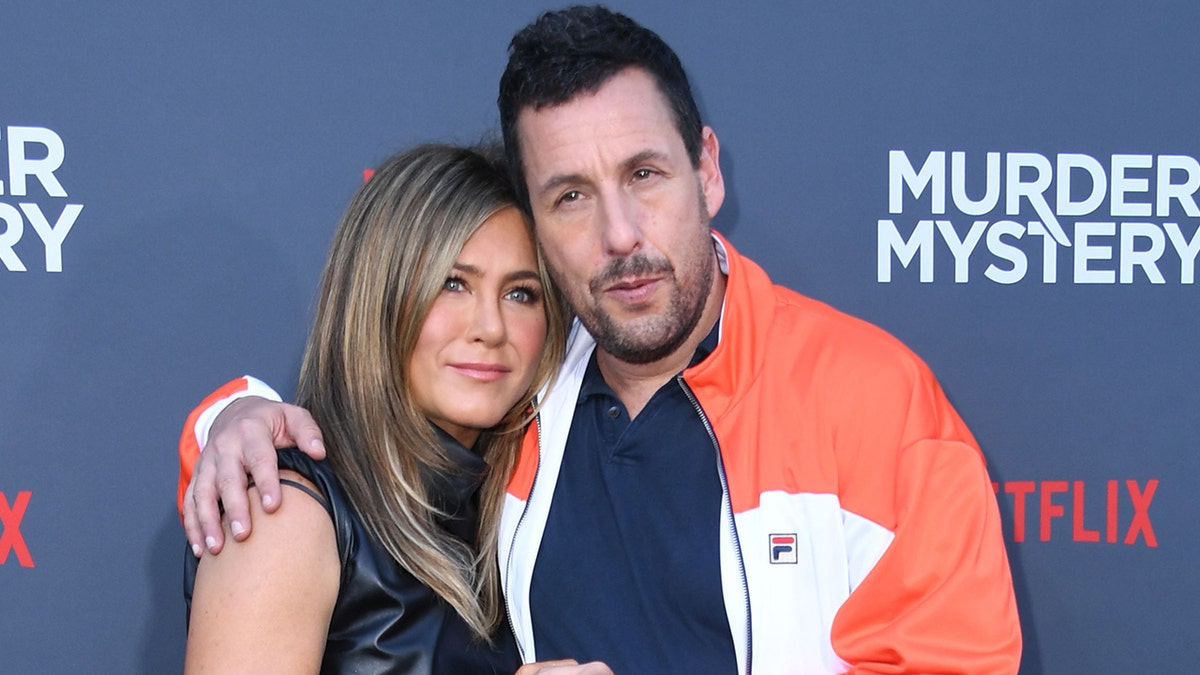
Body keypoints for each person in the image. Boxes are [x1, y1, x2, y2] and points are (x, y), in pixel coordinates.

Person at [180, 6, 1022, 674]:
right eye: (571, 196)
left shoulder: (872, 397)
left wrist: (236, 423)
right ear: (538, 221)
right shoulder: (518, 396)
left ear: (709, 169)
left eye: (643, 174)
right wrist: (239, 422)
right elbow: (360, 458)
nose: (620, 234)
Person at [182, 143, 576, 673]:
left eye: (521, 294)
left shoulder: (515, 513)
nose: (490, 328)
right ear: (378, 295)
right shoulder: (289, 510)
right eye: (452, 284)